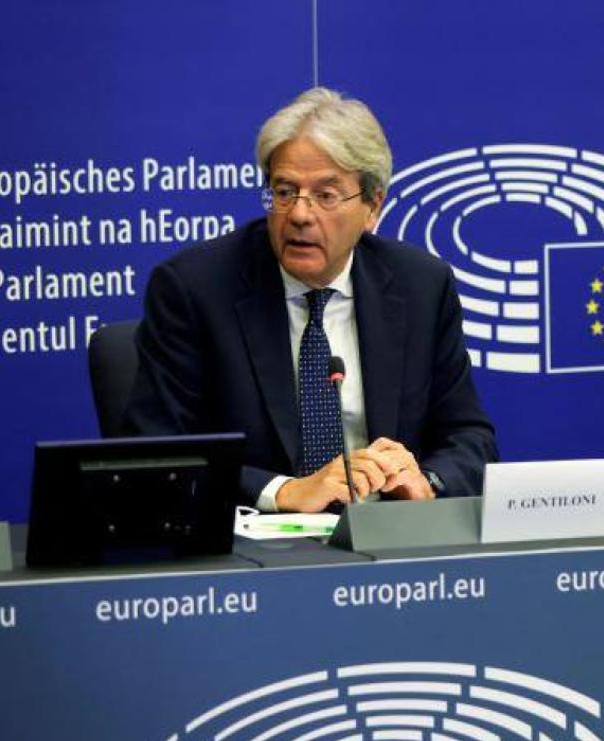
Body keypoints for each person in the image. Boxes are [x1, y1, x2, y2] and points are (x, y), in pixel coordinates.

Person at [124, 87, 497, 511]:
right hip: (258, 540)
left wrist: (425, 482)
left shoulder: (421, 286)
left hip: (386, 533)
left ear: (373, 206)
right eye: (285, 191)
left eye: (325, 195)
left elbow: (470, 439)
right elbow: (155, 455)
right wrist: (283, 491)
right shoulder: (195, 290)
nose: (300, 215)